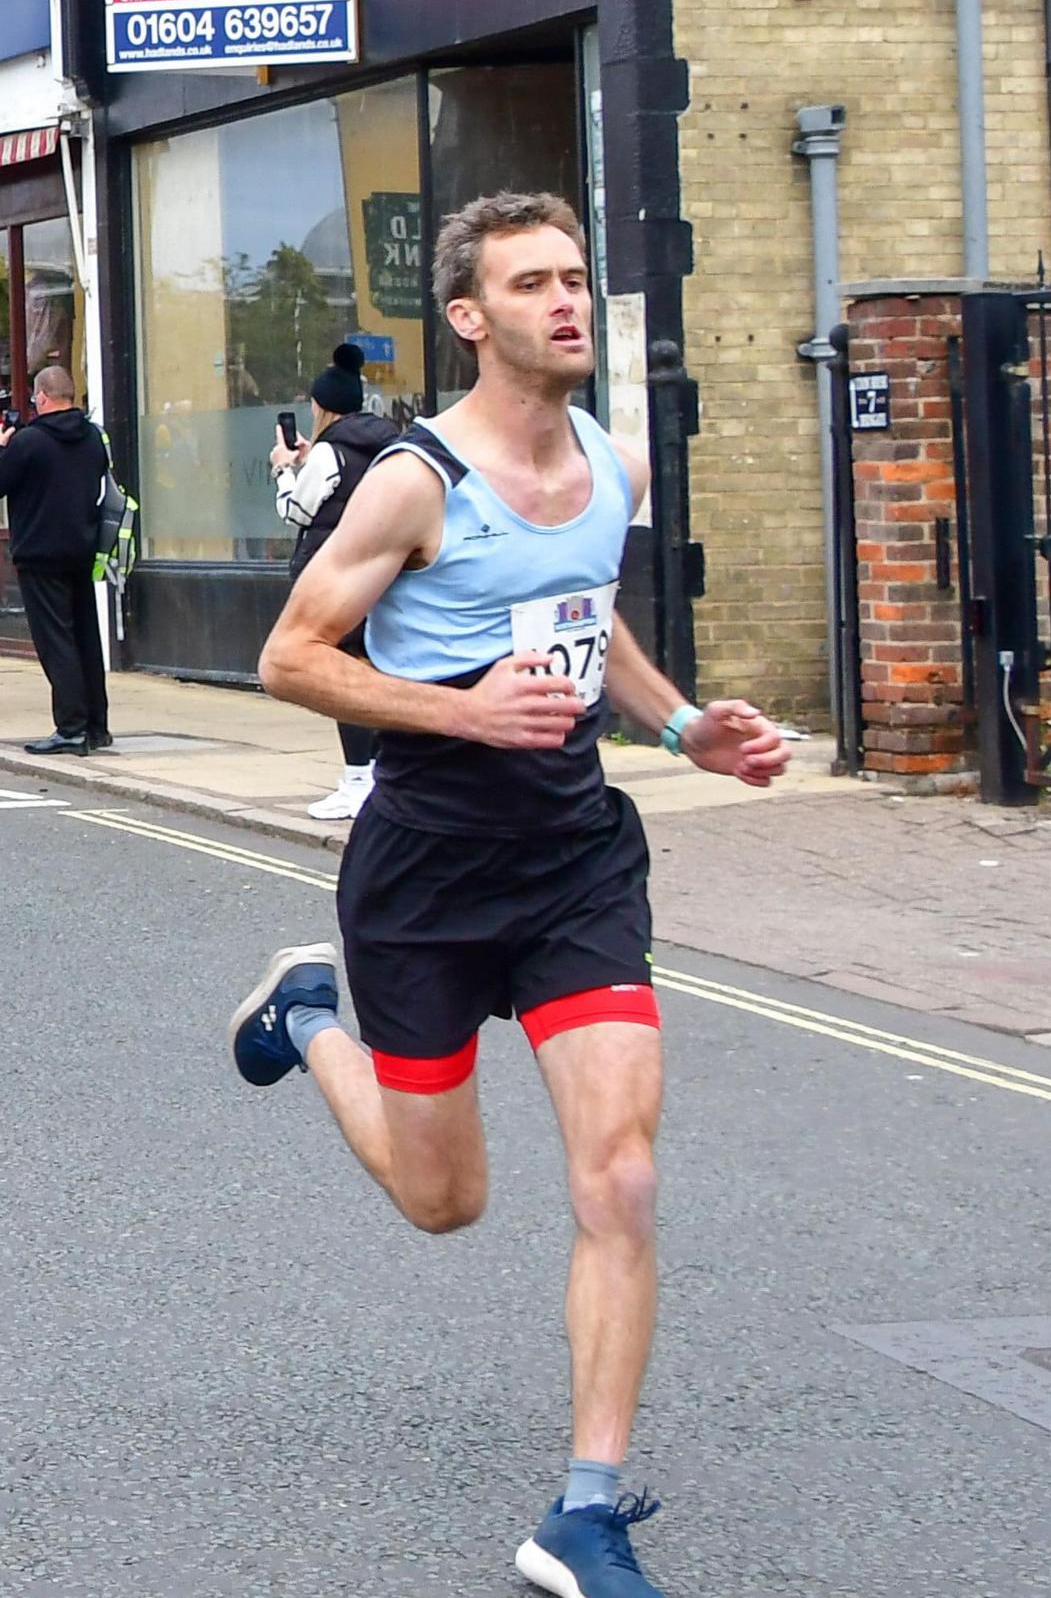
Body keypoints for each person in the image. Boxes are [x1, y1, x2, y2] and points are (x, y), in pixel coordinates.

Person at [237, 193, 788, 1598]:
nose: (565, 300)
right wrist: (458, 713)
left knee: (626, 1173)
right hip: (425, 867)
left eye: (576, 278)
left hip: (572, 859)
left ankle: (585, 1510)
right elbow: (293, 659)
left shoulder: (613, 462)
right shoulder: (415, 482)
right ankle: (308, 1016)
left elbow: (586, 621)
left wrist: (679, 730)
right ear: (471, 318)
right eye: (533, 282)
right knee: (446, 1203)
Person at [275, 342, 405, 820]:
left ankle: (356, 781)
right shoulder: (386, 442)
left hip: (334, 573)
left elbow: (297, 510)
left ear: (322, 406)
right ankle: (380, 777)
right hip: (382, 572)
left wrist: (285, 470)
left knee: (341, 676)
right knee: (374, 670)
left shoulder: (330, 451)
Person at [0, 361, 113, 755]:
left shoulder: (29, 441)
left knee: (56, 640)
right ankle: (96, 726)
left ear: (41, 397)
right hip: (81, 548)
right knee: (86, 637)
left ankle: (70, 728)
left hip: (40, 553)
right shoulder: (92, 437)